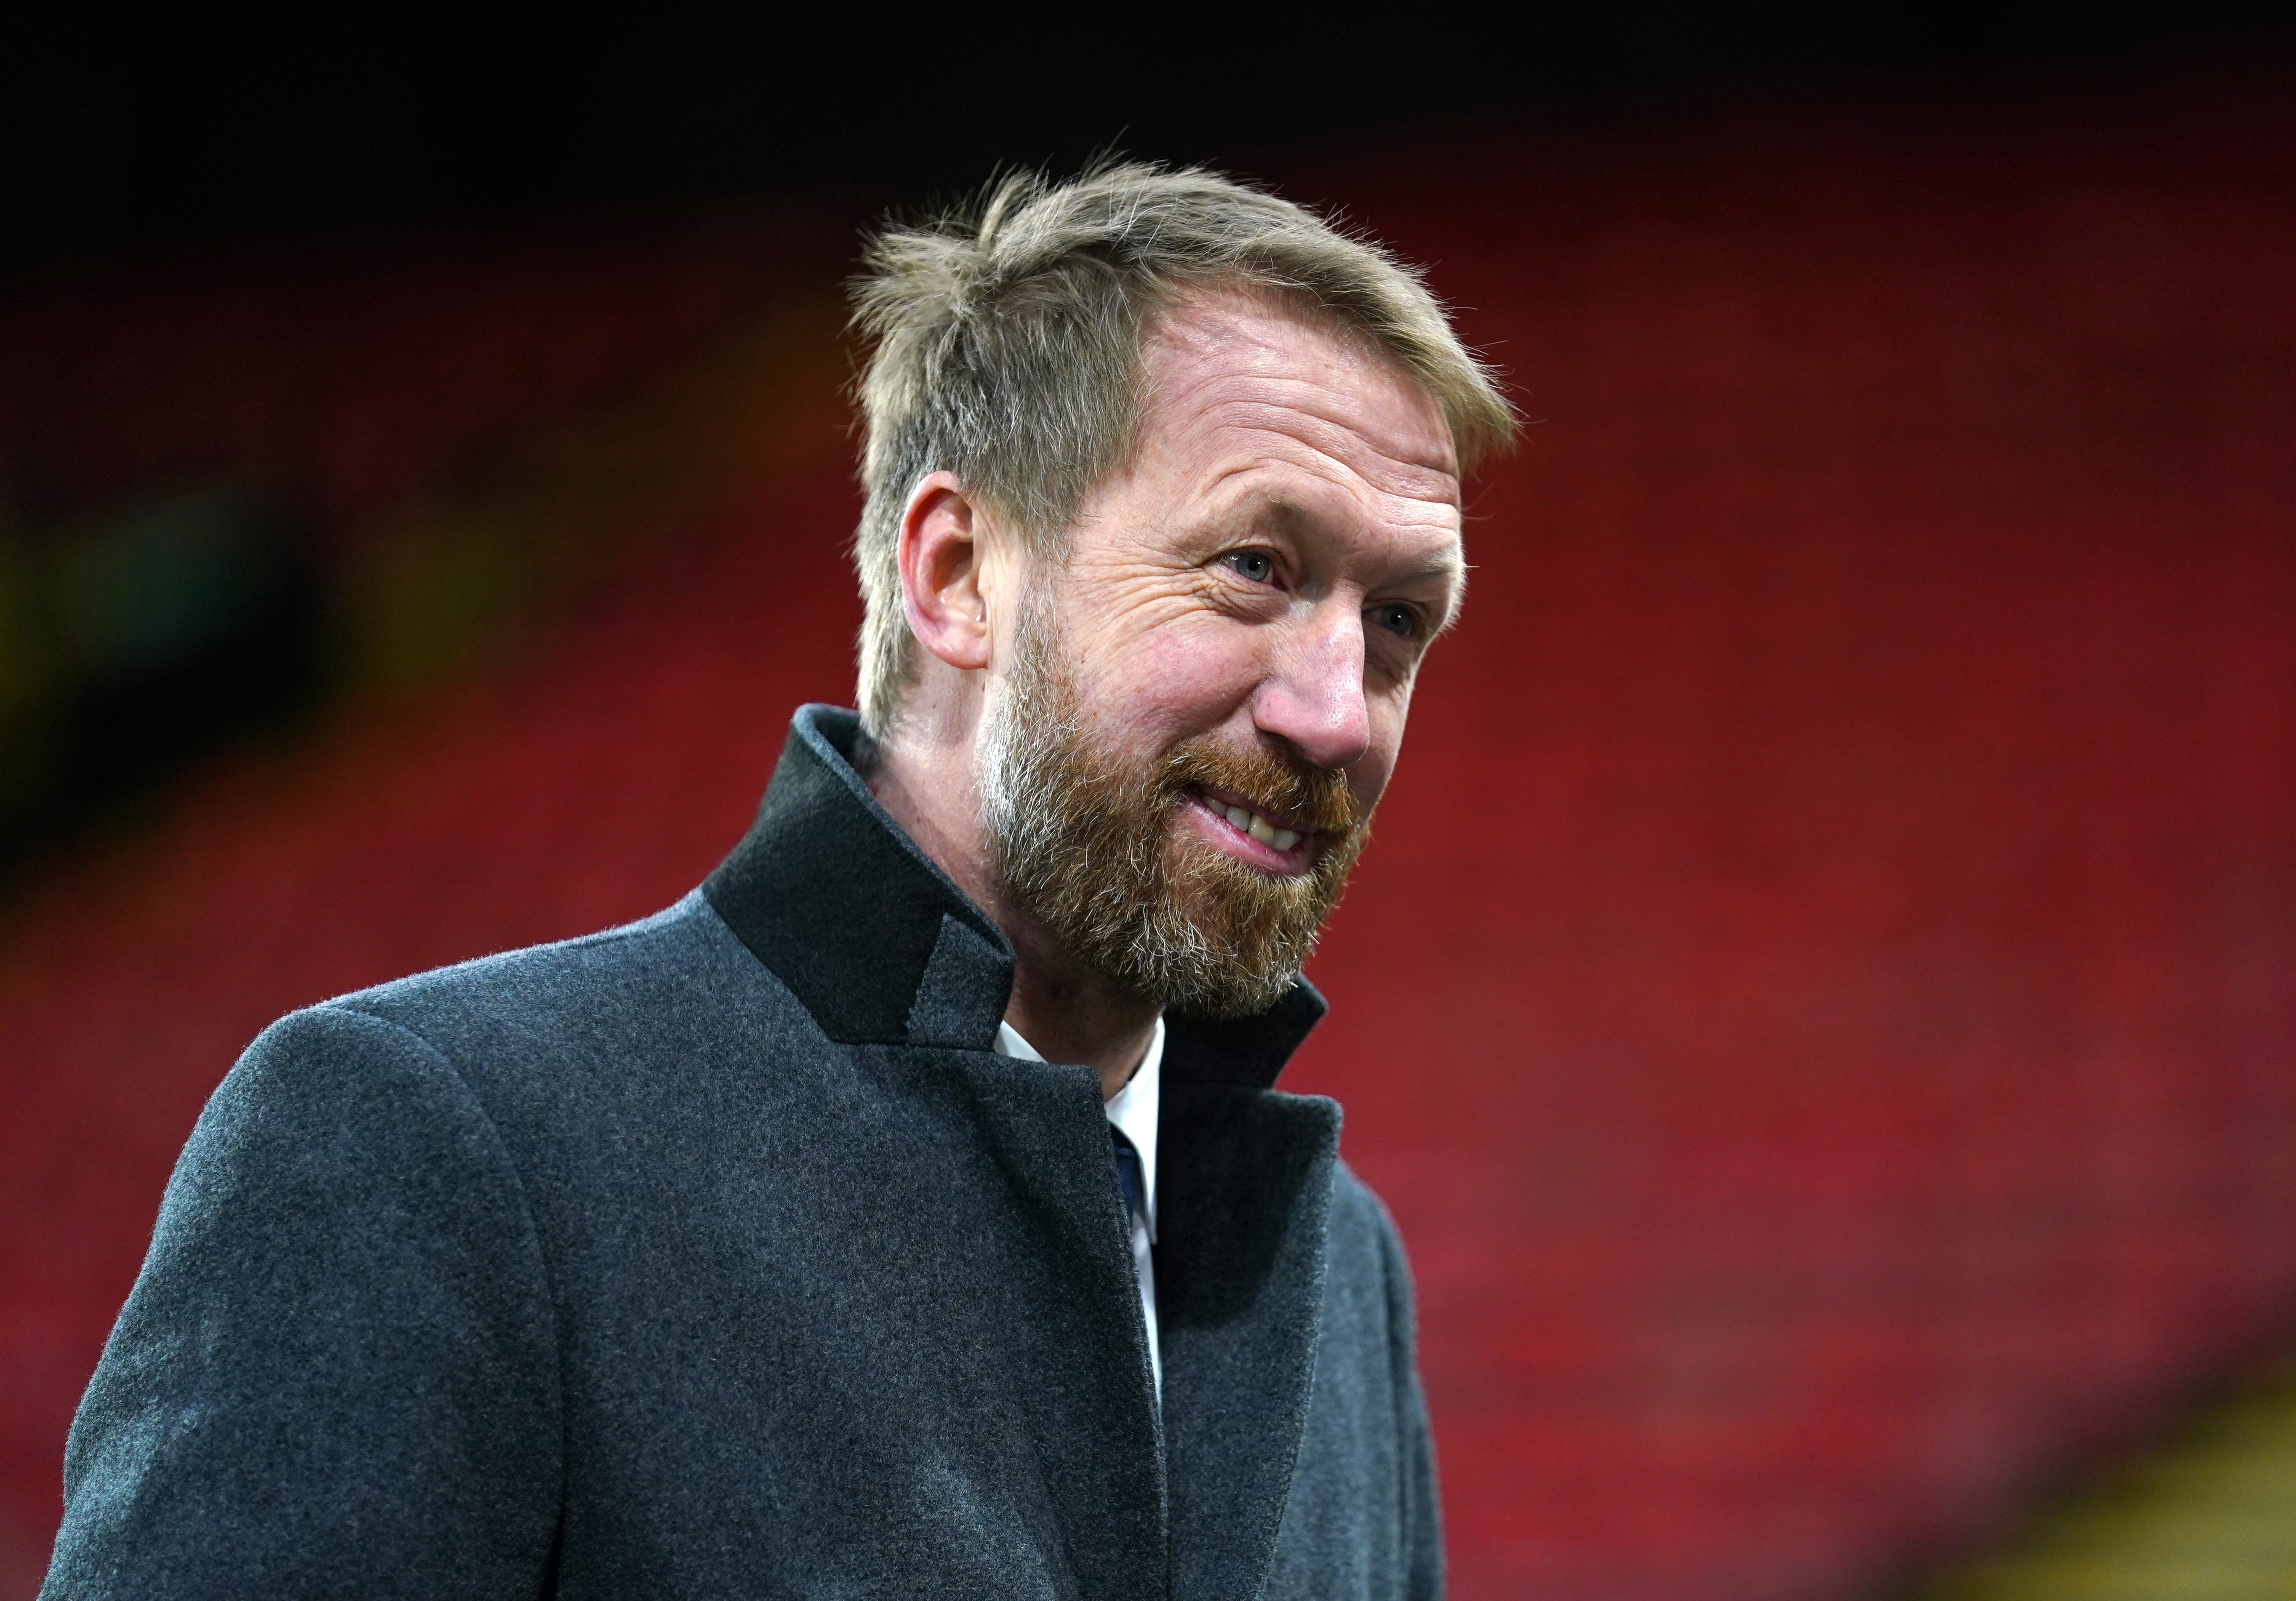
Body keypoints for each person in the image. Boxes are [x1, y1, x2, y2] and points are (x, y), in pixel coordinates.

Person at [42, 164, 1515, 1600]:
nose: (1340, 709)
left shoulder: (1333, 1272)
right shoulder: (429, 1139)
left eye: (1396, 620)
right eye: (1255, 566)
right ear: (956, 575)